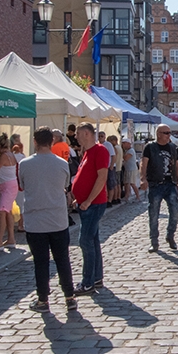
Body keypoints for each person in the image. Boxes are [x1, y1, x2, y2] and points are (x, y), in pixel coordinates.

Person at [18, 126, 77, 313]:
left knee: (41, 262)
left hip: (36, 221)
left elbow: (22, 185)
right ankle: (70, 297)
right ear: (52, 142)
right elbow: (65, 186)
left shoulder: (25, 164)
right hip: (58, 218)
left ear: (35, 141)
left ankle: (43, 299)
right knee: (63, 259)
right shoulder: (61, 163)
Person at [71, 122, 108, 295]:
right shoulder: (86, 152)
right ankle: (97, 277)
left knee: (85, 240)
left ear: (86, 133)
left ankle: (88, 282)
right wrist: (78, 198)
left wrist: (88, 200)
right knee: (92, 240)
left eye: (78, 133)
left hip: (93, 204)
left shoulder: (100, 151)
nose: (75, 137)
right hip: (86, 203)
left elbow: (102, 178)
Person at [141, 123, 178, 252]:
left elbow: (176, 165)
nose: (169, 135)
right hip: (155, 184)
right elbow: (144, 164)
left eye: (170, 132)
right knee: (153, 214)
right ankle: (154, 241)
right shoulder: (150, 147)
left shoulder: (172, 148)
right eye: (166, 133)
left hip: (170, 184)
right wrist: (143, 179)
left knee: (175, 213)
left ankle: (170, 235)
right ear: (158, 134)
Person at [99, 132, 117, 208]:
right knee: (103, 184)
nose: (100, 137)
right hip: (102, 167)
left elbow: (113, 155)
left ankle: (110, 200)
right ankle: (104, 200)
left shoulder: (108, 144)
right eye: (99, 136)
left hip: (109, 167)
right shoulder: (98, 145)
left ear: (104, 137)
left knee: (111, 184)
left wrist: (112, 165)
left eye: (102, 136)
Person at [12, 142, 26, 232]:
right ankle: (21, 225)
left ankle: (10, 224)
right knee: (21, 206)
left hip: (11, 183)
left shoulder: (10, 157)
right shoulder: (22, 158)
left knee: (10, 205)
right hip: (19, 184)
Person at [108, 134, 123, 205]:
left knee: (115, 184)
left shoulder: (115, 148)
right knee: (118, 184)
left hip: (116, 167)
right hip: (119, 167)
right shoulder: (119, 147)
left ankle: (115, 198)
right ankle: (118, 197)